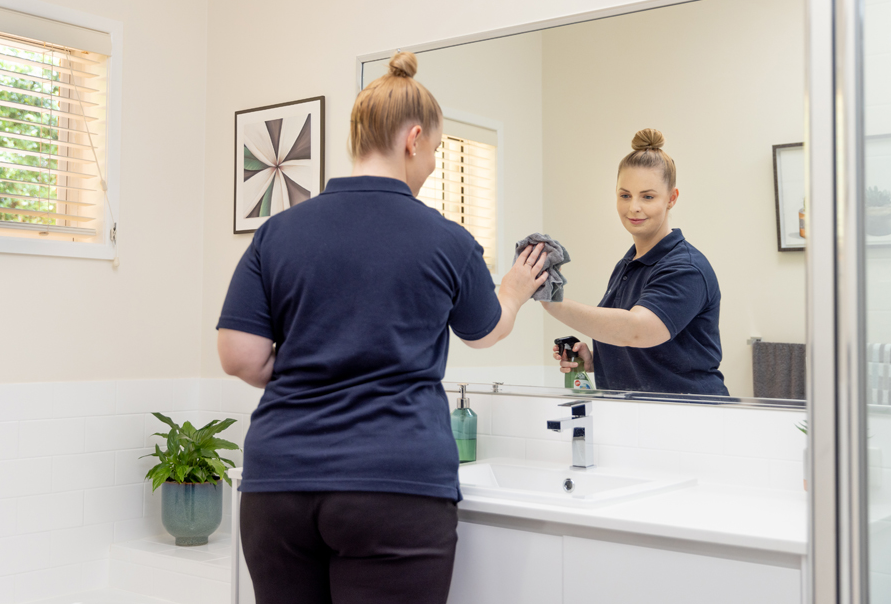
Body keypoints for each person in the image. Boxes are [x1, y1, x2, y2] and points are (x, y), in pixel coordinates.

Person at [216, 51, 549, 604]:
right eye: (436, 150)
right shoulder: (446, 239)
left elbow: (239, 356)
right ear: (413, 139)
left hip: (279, 486)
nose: (435, 164)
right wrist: (513, 291)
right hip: (394, 486)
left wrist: (311, 368)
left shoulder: (279, 231)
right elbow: (484, 331)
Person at [545, 129, 728, 396]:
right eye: (625, 195)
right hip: (636, 412)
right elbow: (636, 343)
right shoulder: (628, 264)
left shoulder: (685, 268)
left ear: (672, 198)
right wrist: (596, 361)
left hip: (690, 413)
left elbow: (636, 330)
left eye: (648, 196)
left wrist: (552, 300)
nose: (634, 207)